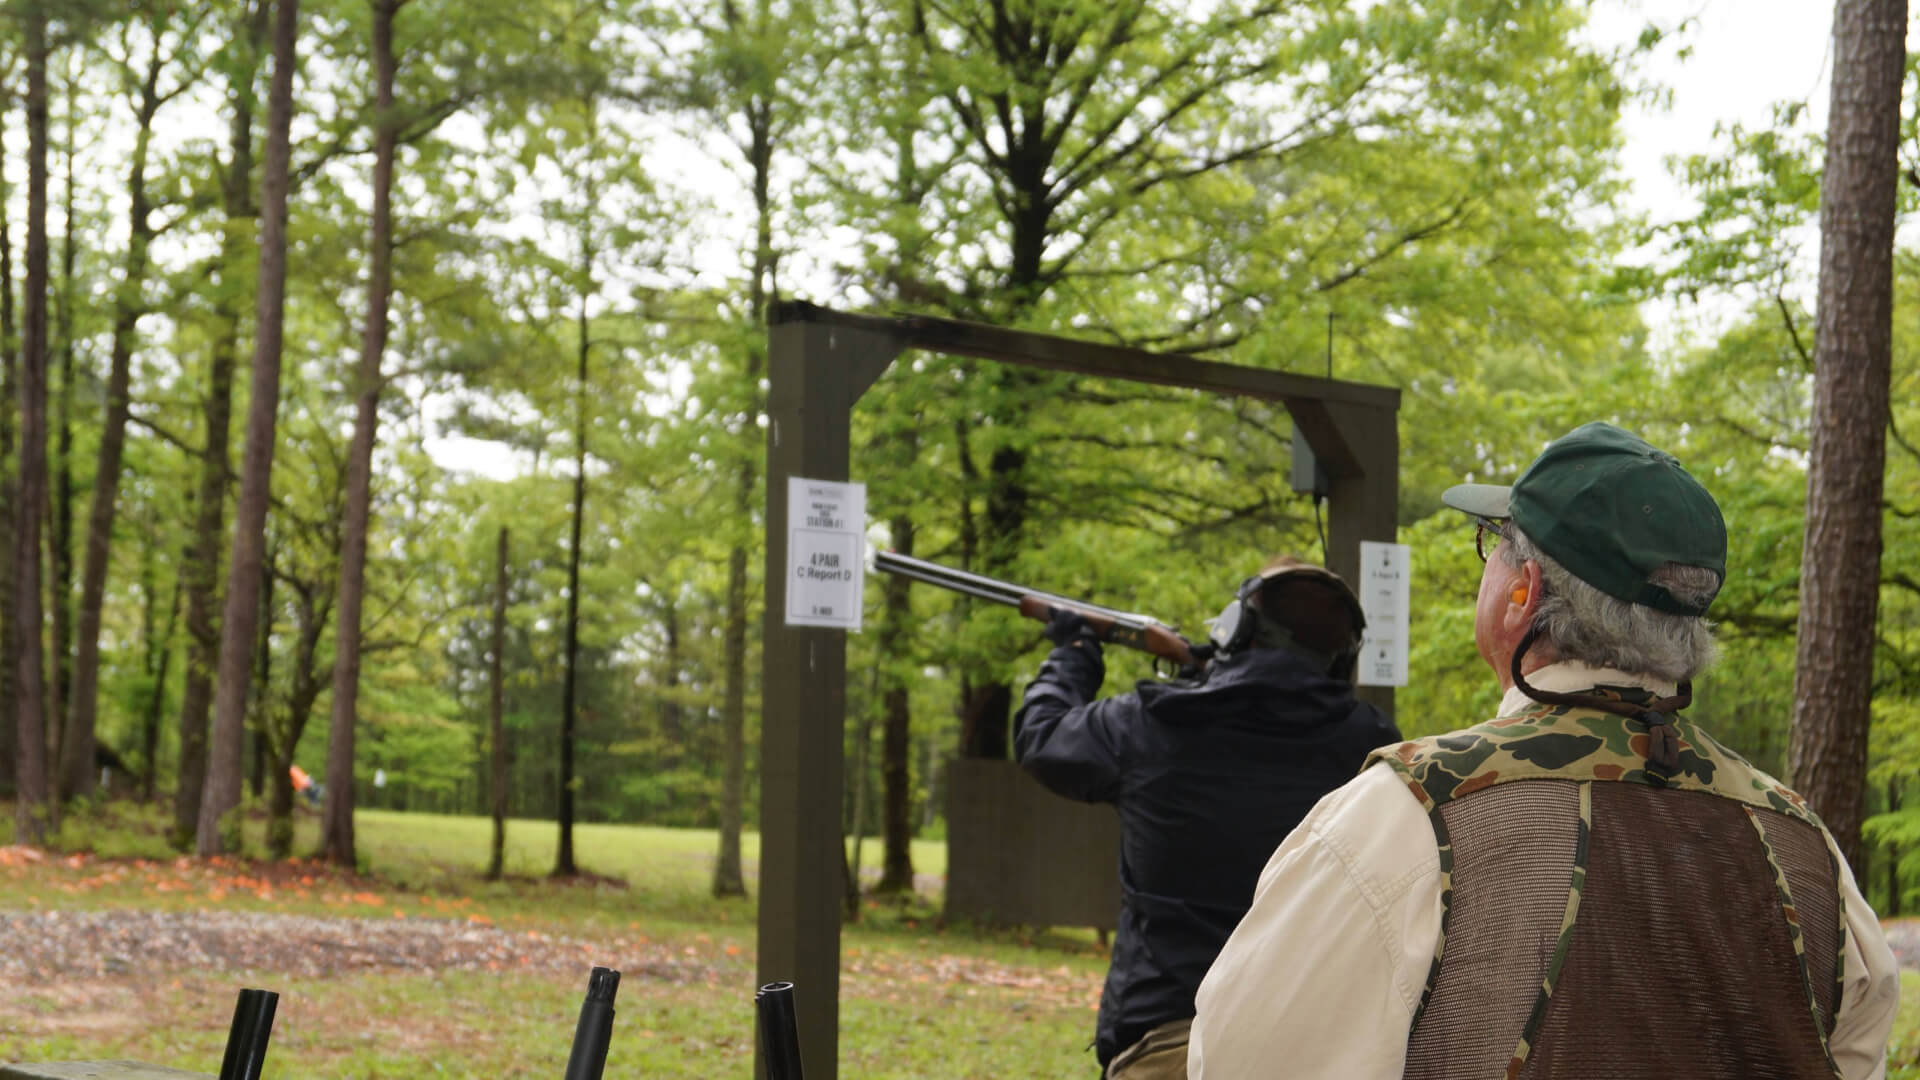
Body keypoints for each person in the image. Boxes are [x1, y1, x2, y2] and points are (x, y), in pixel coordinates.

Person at [1189, 421, 1901, 1079]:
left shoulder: (1412, 814)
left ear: (1523, 592)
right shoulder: (1803, 842)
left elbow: (1242, 1061)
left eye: (1491, 544)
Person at [1014, 555, 1401, 1079]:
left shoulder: (1152, 722)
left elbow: (1041, 736)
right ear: (1343, 656)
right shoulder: (1372, 745)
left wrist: (1075, 652)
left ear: (1235, 628)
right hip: (1312, 1054)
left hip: (1166, 1044)